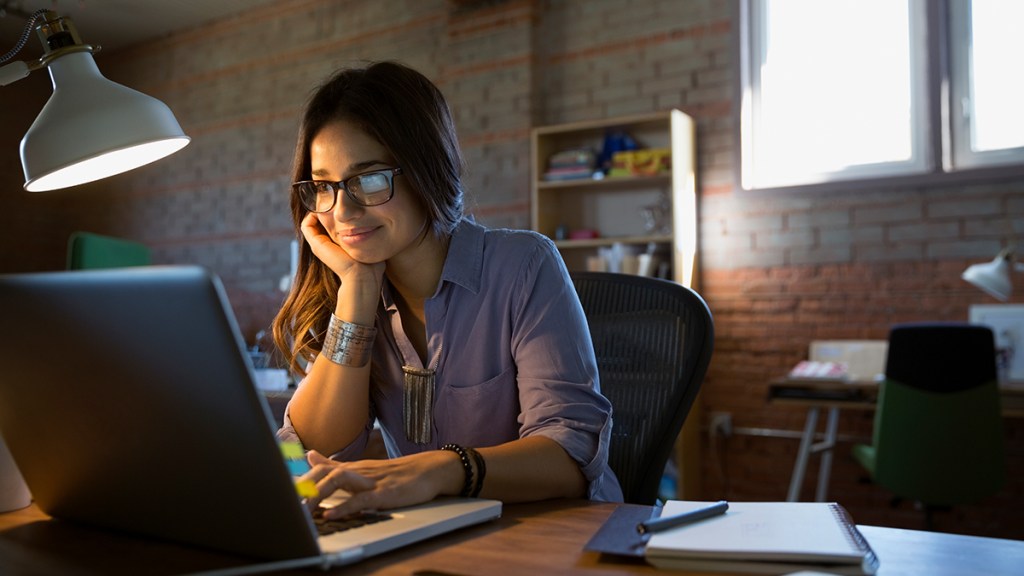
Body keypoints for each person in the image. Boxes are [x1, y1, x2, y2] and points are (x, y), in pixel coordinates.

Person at [272, 60, 622, 519]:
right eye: (323, 186)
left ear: (426, 167)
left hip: (559, 533)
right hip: (439, 536)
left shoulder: (523, 265)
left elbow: (571, 453)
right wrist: (356, 295)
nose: (343, 210)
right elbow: (295, 457)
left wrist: (441, 471)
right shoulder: (352, 292)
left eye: (370, 178)